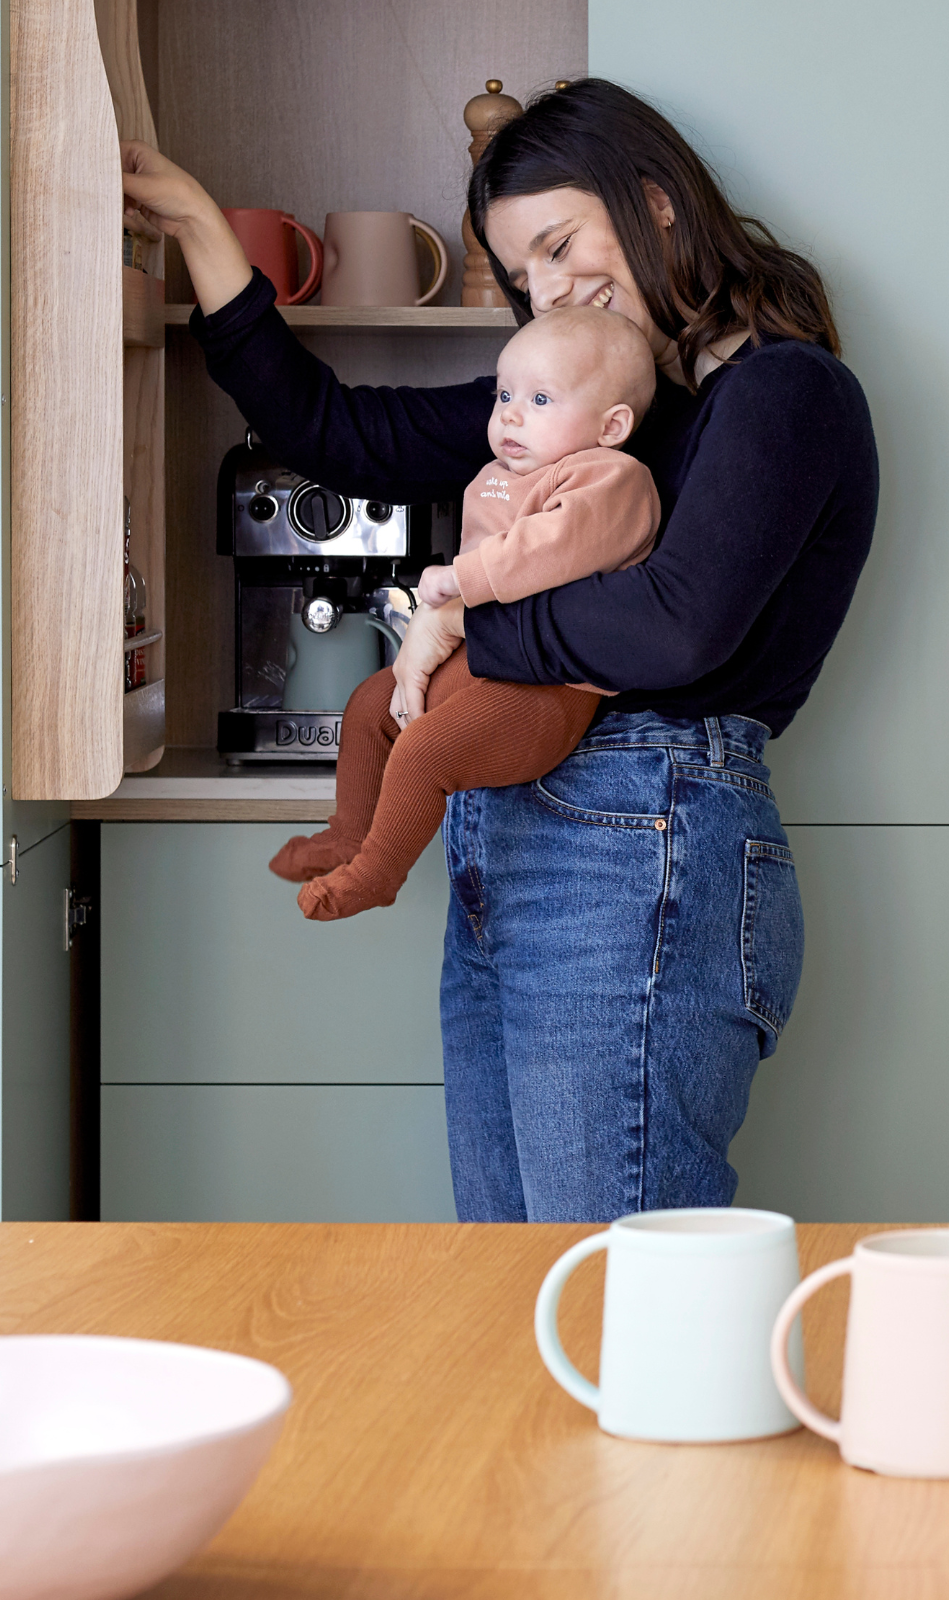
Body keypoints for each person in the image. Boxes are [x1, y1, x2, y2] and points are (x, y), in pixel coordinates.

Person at [120, 76, 879, 1225]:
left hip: (644, 838)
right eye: (524, 274)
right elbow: (335, 431)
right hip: (512, 837)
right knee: (510, 1284)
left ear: (658, 200)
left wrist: (464, 622)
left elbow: (674, 625)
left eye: (563, 243)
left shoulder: (783, 393)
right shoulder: (569, 401)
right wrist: (199, 233)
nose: (551, 288)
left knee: (612, 1284)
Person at [271, 308, 661, 921]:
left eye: (539, 398)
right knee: (369, 705)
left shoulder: (611, 478)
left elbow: (547, 549)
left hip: (547, 688)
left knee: (425, 750)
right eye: (504, 393)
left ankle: (376, 873)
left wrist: (459, 581)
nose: (509, 413)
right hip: (481, 658)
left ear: (611, 425)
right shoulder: (496, 475)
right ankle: (348, 834)